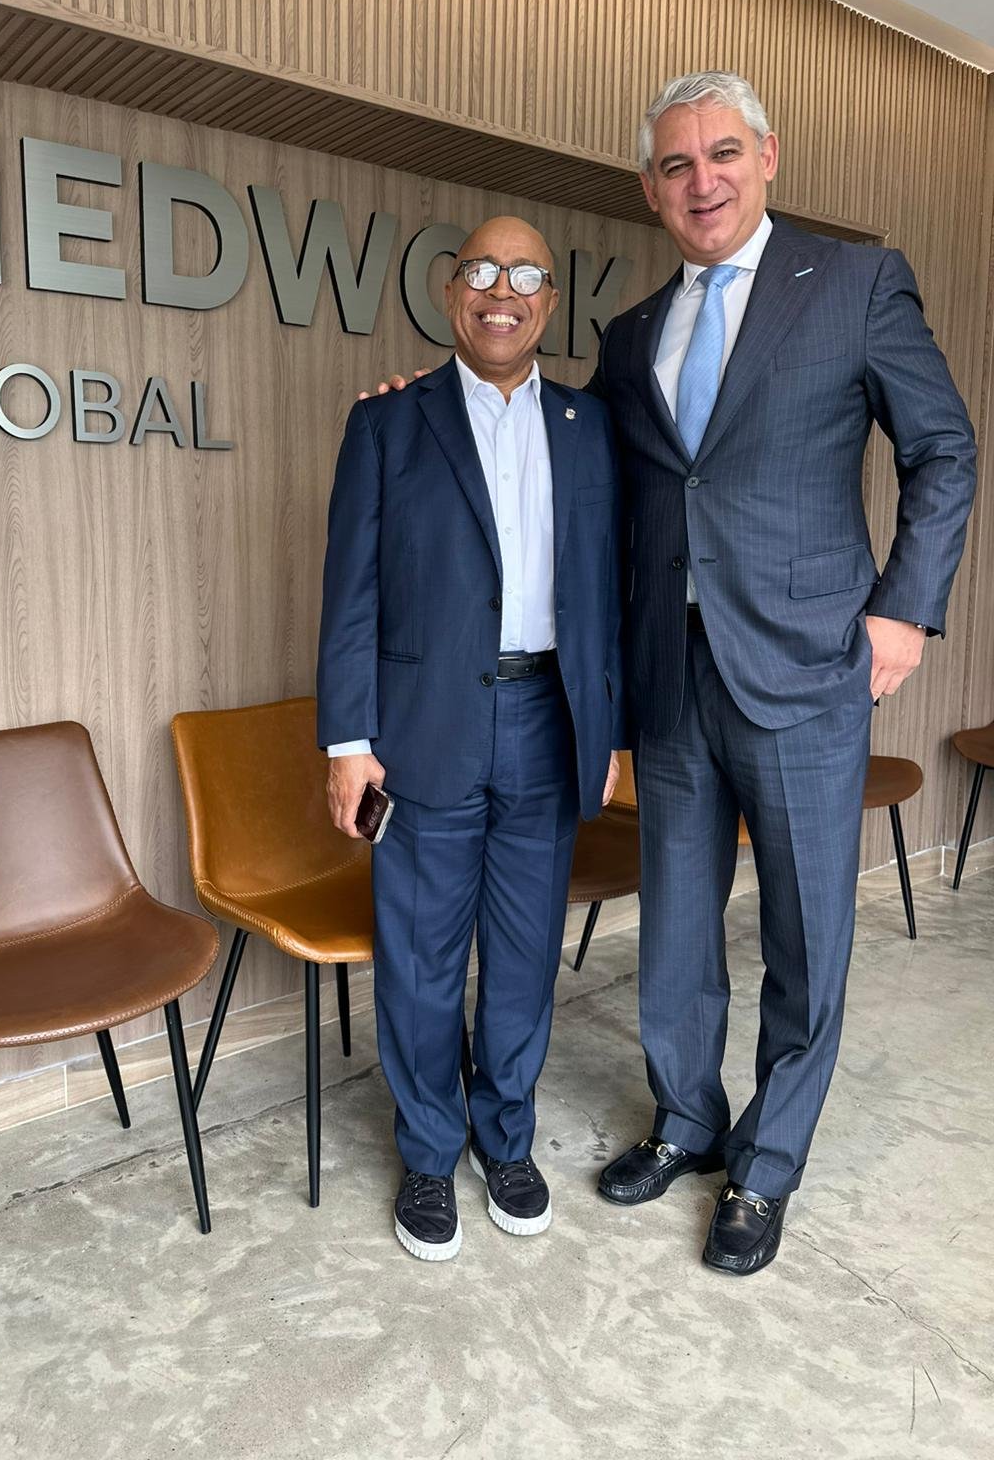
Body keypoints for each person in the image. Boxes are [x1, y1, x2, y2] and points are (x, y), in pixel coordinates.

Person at [590, 71, 976, 1275]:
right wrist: (443, 405)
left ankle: (766, 1163)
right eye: (675, 164)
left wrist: (904, 609)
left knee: (806, 933)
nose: (700, 180)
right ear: (651, 190)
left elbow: (943, 449)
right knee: (675, 927)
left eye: (722, 154)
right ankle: (687, 1117)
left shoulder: (855, 283)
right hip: (672, 672)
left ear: (767, 156)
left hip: (808, 666)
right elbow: (590, 473)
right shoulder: (631, 335)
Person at [317, 217, 625, 1261]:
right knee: (420, 953)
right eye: (483, 271)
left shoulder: (590, 424)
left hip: (549, 718)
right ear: (453, 293)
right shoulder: (387, 423)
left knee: (528, 951)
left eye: (526, 274)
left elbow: (609, 591)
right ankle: (426, 1152)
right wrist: (347, 743)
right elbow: (350, 597)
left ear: (549, 302)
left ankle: (506, 1142)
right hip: (425, 727)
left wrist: (607, 731)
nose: (504, 291)